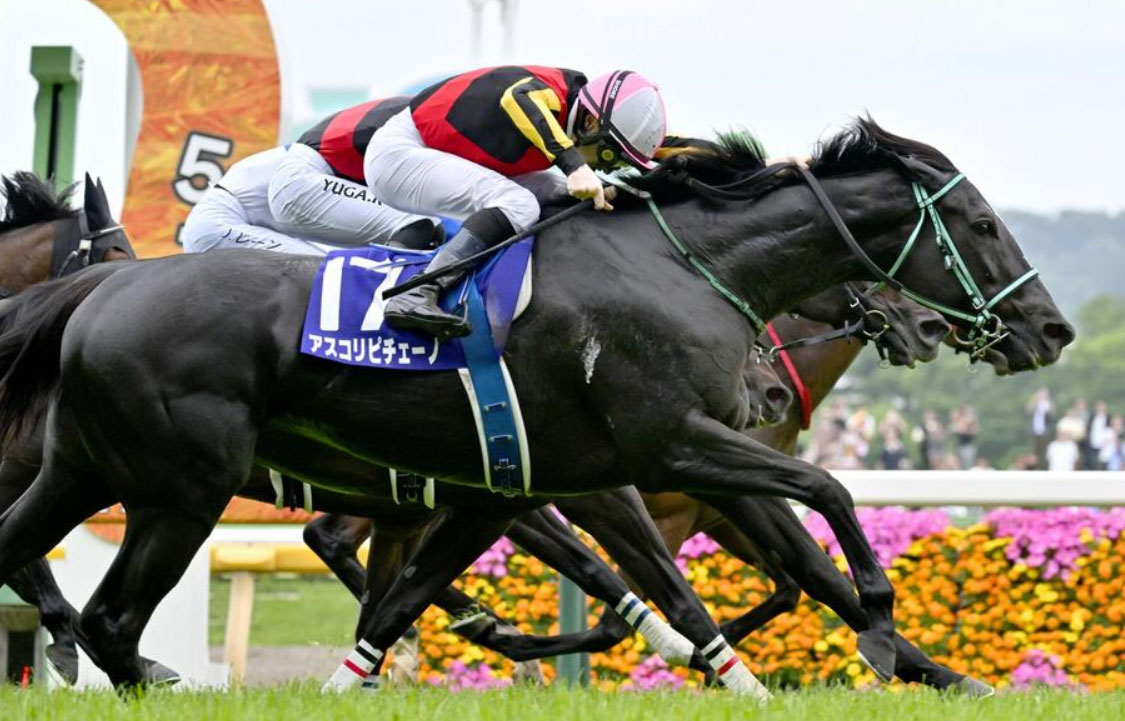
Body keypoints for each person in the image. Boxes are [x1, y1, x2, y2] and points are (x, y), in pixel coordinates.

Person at [366, 66, 668, 339]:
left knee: (557, 190)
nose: (608, 168)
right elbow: (516, 97)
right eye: (610, 155)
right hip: (400, 154)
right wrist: (574, 165)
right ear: (590, 122)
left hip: (430, 153)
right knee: (520, 204)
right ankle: (417, 291)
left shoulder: (573, 107)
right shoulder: (548, 93)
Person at [182, 140, 442, 256]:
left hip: (211, 223)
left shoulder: (316, 159)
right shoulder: (313, 165)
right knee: (320, 273)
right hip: (217, 224)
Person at [1026, 388, 1054, 470]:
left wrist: (1048, 400)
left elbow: (1052, 411)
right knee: (1034, 451)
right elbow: (1028, 410)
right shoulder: (1035, 404)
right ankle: (1035, 467)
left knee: (1044, 451)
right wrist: (1034, 399)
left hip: (1045, 431)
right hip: (1034, 430)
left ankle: (1043, 467)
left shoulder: (1048, 404)